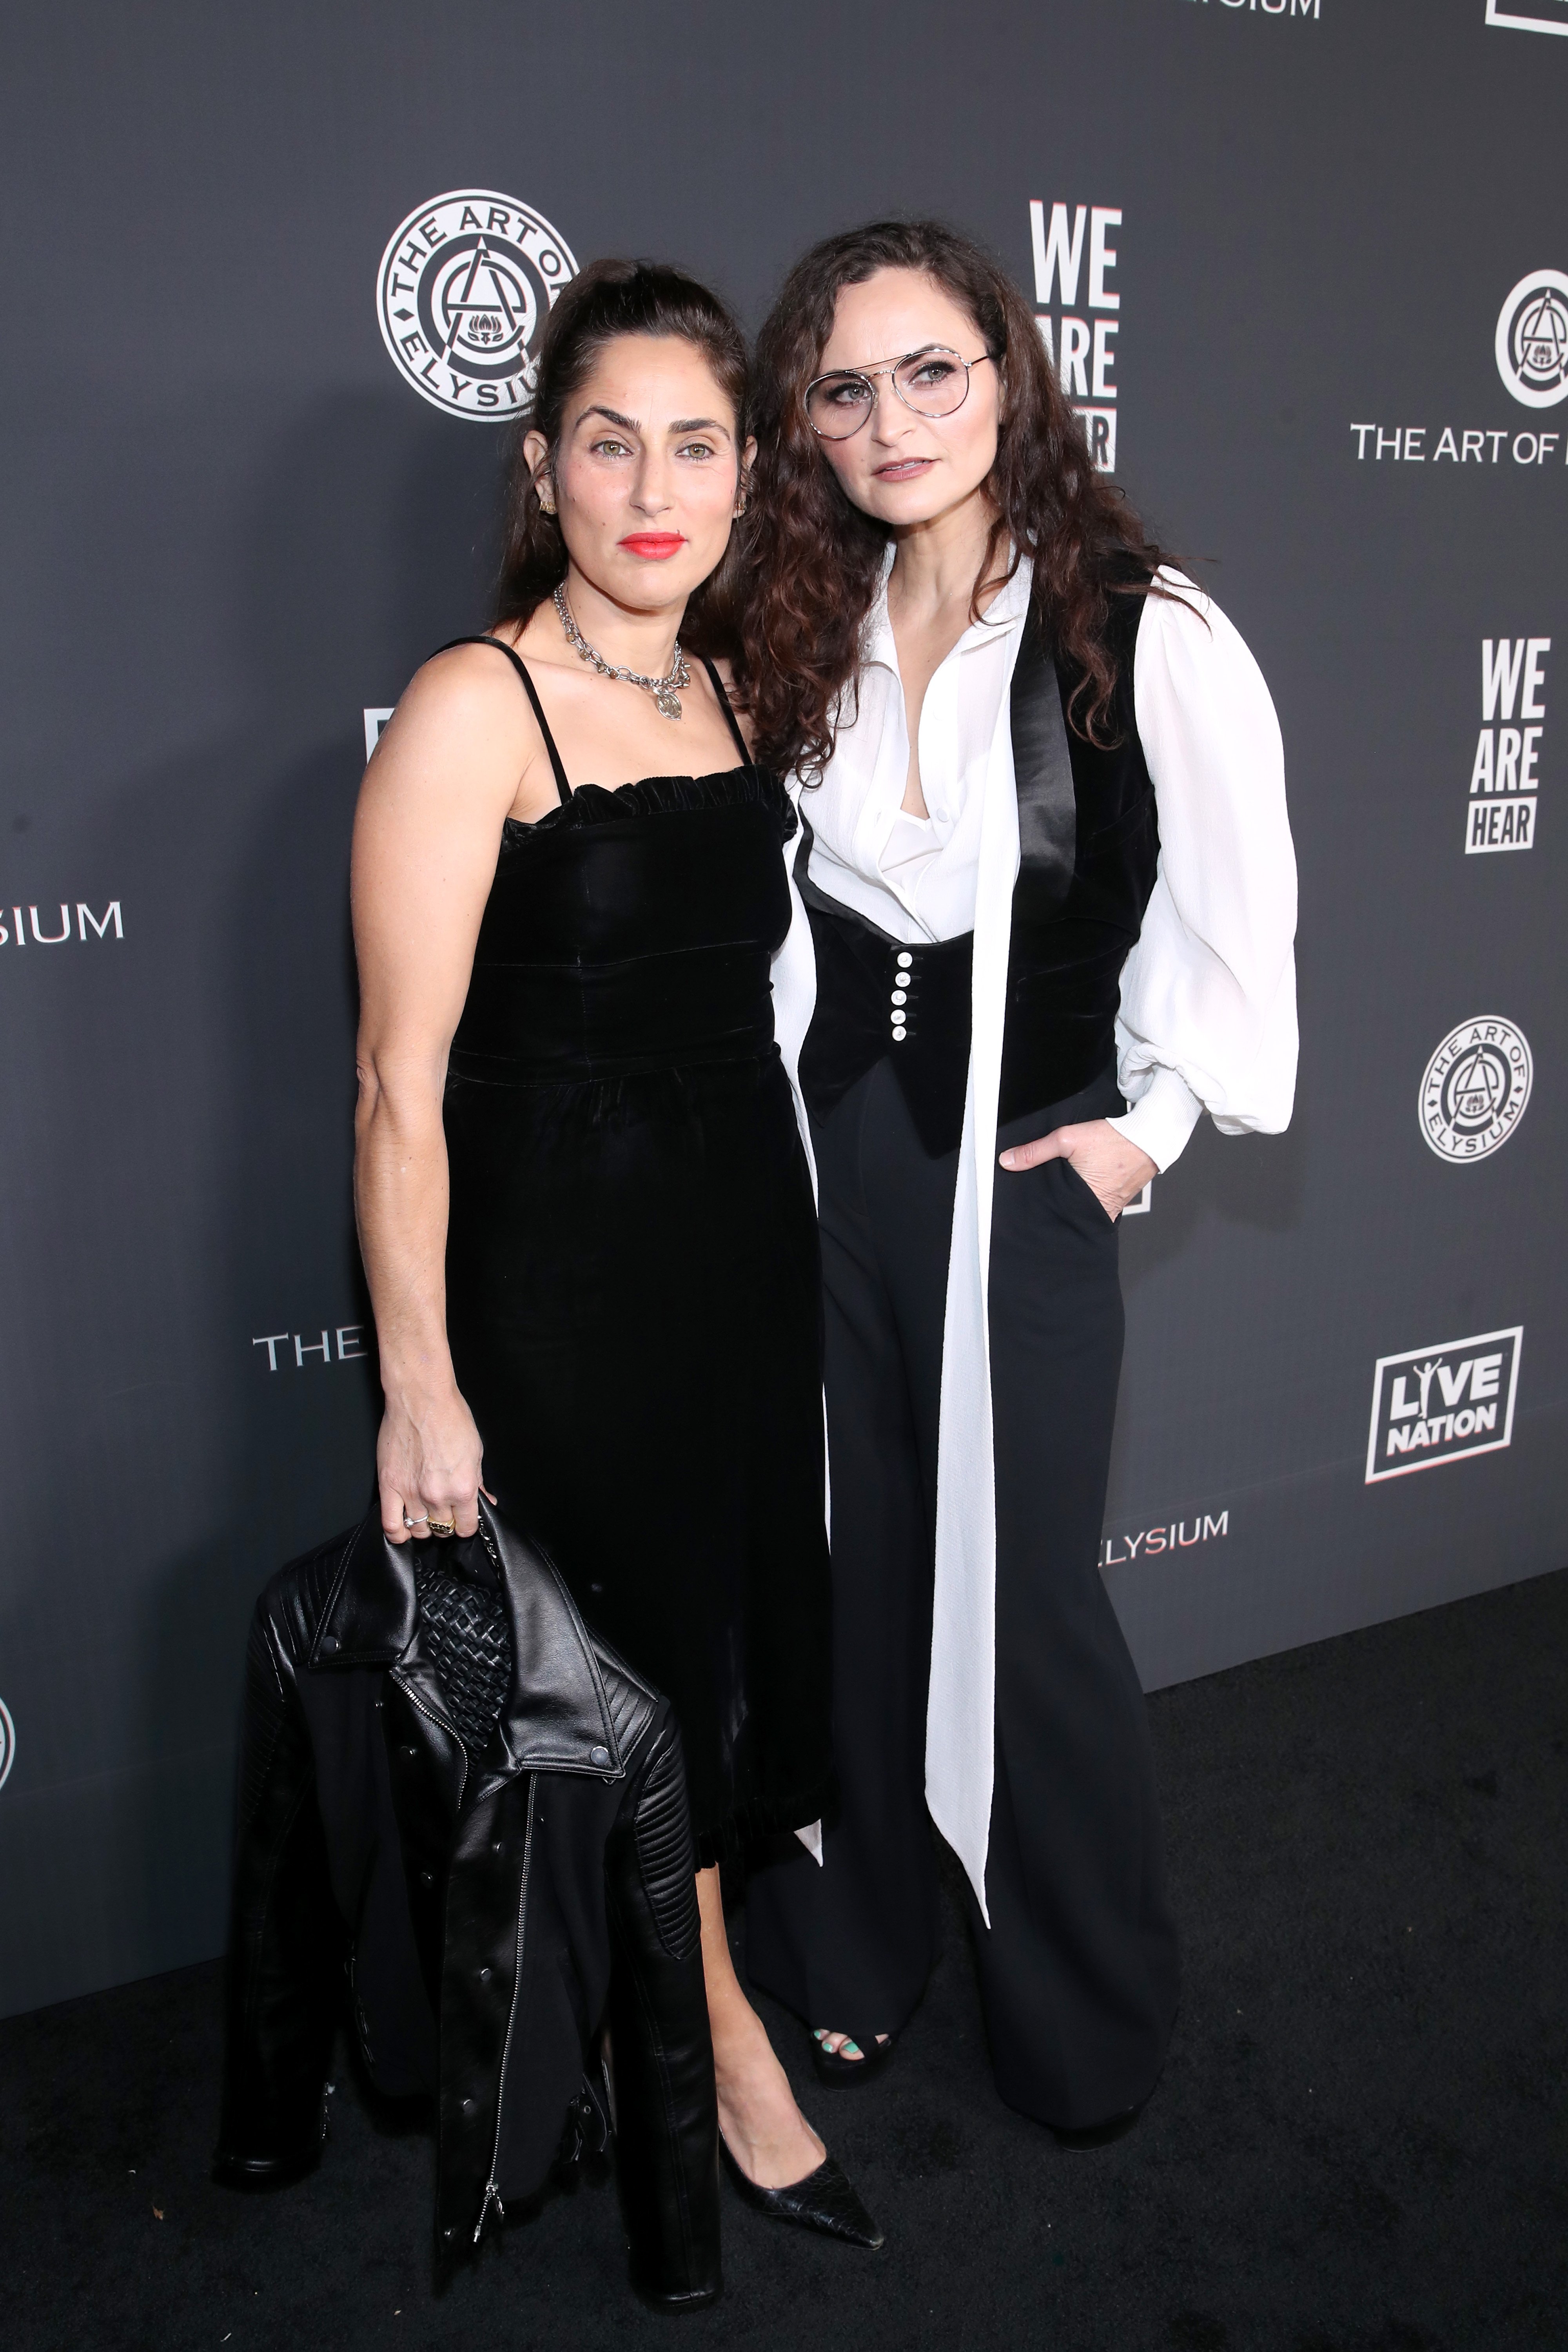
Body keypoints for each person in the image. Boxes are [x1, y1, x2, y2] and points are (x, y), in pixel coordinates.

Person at [740, 221, 1298, 2140]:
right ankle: (867, 1943)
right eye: (842, 388)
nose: (889, 420)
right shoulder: (798, 622)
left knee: (1030, 1602)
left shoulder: (1142, 626)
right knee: (854, 1569)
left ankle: (1081, 2008)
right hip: (831, 1172)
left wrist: (1142, 1138)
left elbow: (1233, 927)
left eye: (929, 372)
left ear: (1009, 378)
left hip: (1015, 1179)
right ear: (803, 427)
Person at [350, 259, 877, 2245]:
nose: (653, 487)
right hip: (565, 1281)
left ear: (747, 473)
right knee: (636, 1667)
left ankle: (653, 2012)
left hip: (740, 1250)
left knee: (731, 1641)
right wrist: (420, 1380)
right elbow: (399, 1085)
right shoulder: (474, 707)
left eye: (696, 444)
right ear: (540, 464)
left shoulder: (734, 675)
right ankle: (718, 2056)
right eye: (608, 441)